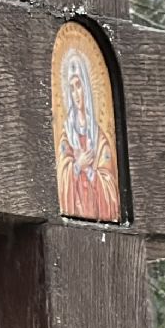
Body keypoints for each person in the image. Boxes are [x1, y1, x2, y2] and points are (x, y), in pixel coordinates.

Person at [55, 49, 122, 221]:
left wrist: (91, 172)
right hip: (74, 211)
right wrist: (78, 165)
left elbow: (111, 188)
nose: (76, 94)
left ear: (86, 88)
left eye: (79, 86)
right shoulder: (66, 137)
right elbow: (62, 179)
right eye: (71, 88)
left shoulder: (99, 139)